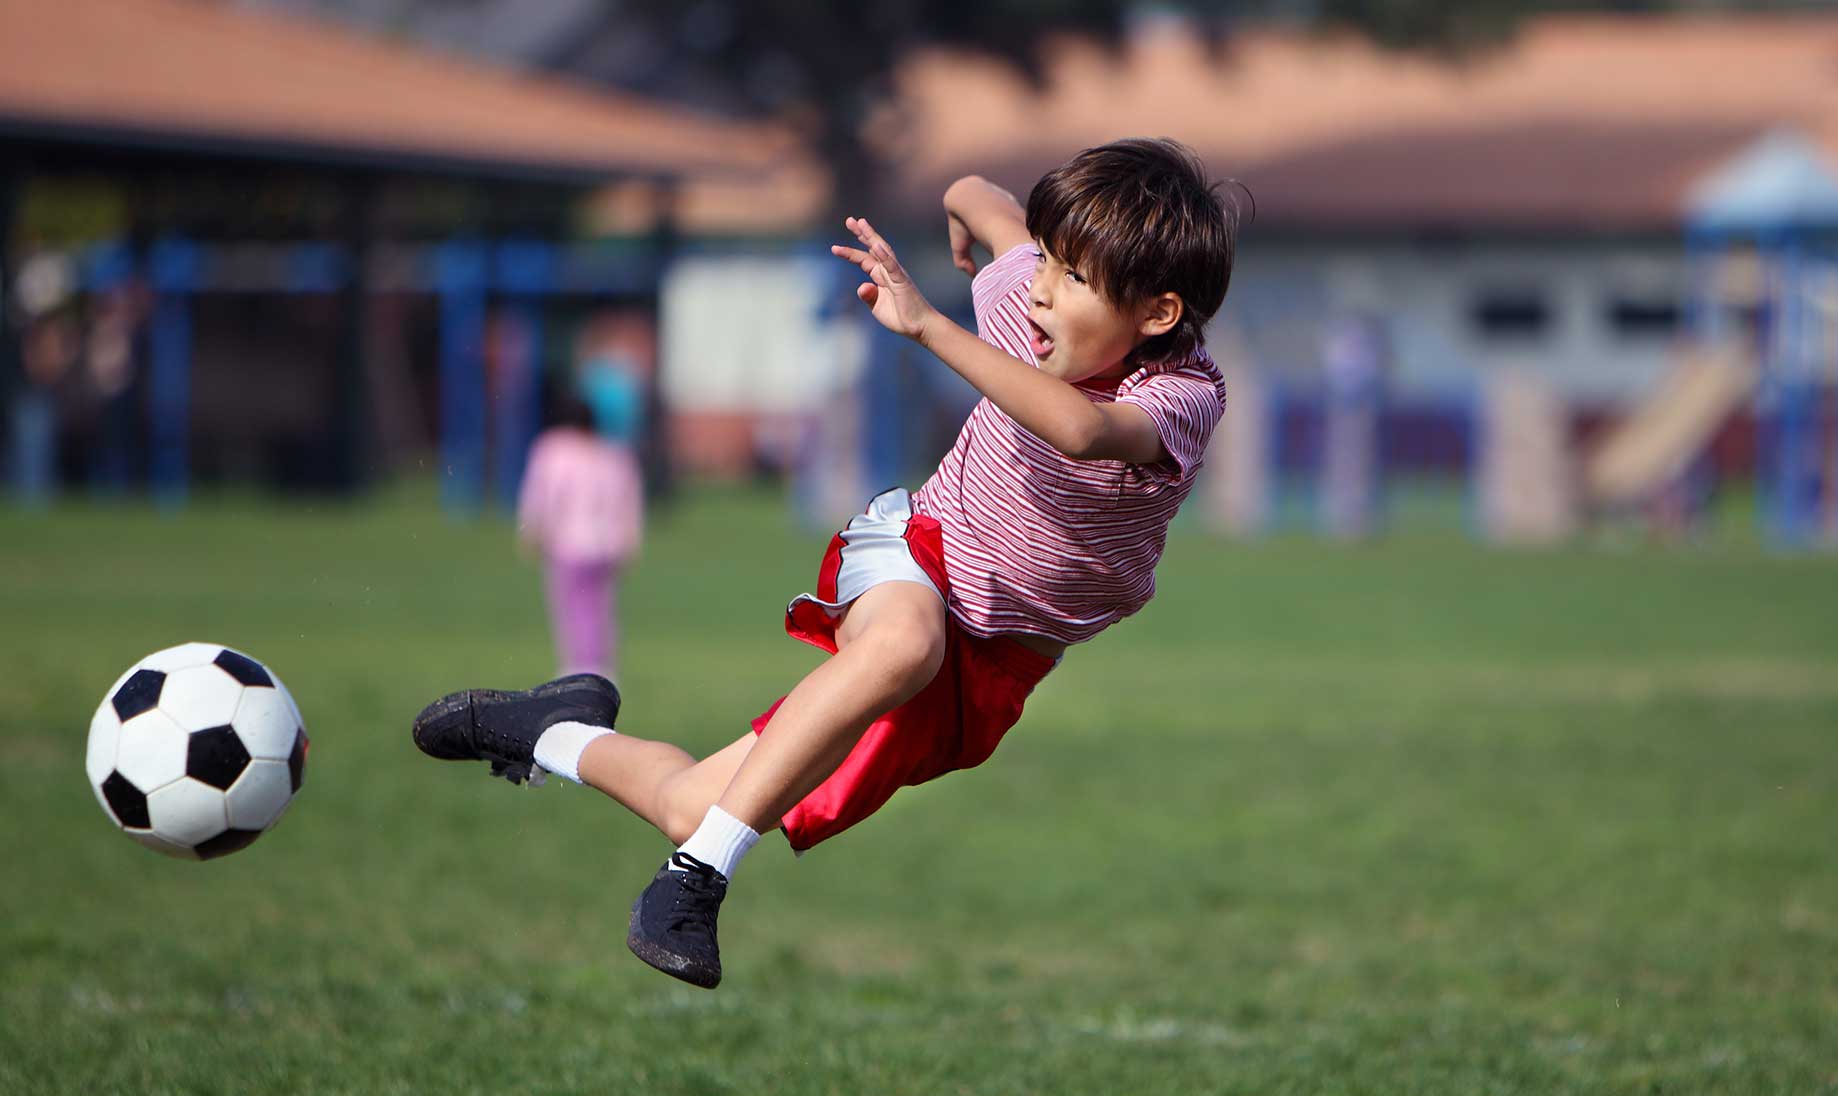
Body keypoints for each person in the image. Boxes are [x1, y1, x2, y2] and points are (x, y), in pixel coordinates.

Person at [414, 138, 1238, 988]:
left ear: (1158, 314)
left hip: (998, 661)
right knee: (901, 646)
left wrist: (929, 317)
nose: (1037, 288)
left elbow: (1081, 429)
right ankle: (695, 884)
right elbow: (987, 203)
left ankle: (552, 729)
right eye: (1046, 263)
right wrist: (963, 206)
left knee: (693, 804)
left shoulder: (1181, 395)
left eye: (1071, 278)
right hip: (919, 556)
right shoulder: (1025, 307)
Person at [515, 369, 644, 681]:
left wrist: (532, 530)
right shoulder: (612, 454)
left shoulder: (553, 449)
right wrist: (630, 540)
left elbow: (543, 496)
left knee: (571, 609)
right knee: (600, 609)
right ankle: (603, 669)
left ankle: (576, 671)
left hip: (568, 543)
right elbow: (628, 499)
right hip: (606, 543)